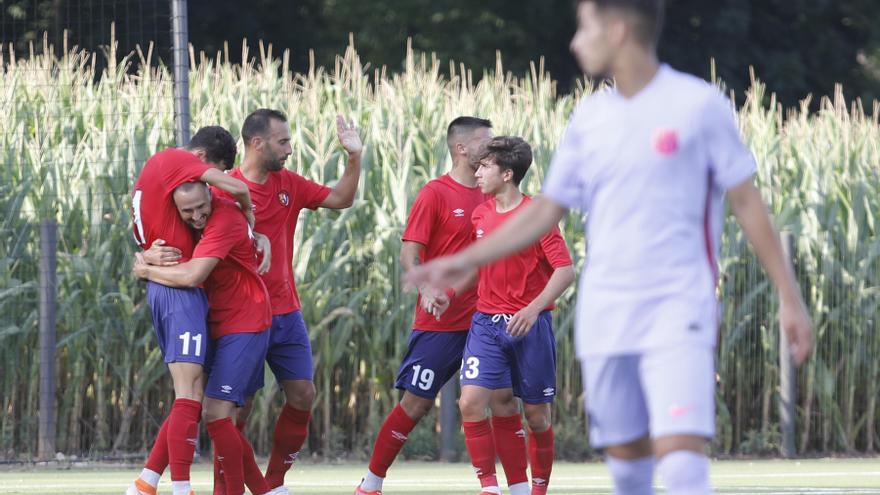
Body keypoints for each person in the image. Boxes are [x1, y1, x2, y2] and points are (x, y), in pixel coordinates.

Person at [405, 1, 814, 493]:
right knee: (629, 469)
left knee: (682, 460)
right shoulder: (590, 118)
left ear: (617, 30)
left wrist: (790, 298)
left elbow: (748, 204)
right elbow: (543, 211)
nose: (576, 42)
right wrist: (459, 262)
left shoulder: (697, 105)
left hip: (678, 305)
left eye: (584, 27)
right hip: (607, 312)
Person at [210, 108, 362, 493]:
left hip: (285, 312)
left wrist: (354, 156)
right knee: (232, 411)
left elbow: (342, 199)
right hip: (241, 317)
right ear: (257, 143)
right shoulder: (222, 189)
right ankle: (228, 488)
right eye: (283, 141)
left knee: (303, 394)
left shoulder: (288, 184)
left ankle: (274, 484)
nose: (290, 149)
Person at [354, 117, 499, 495]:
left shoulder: (496, 192)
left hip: (487, 318)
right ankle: (370, 483)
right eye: (487, 141)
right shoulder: (435, 193)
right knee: (415, 405)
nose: (494, 146)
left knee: (499, 401)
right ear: (461, 148)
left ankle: (493, 486)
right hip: (440, 321)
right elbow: (409, 252)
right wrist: (423, 289)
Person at [127, 126, 255, 495]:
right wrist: (250, 219)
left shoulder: (158, 180)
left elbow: (145, 232)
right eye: (212, 174)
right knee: (188, 393)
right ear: (200, 163)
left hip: (174, 288)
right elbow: (241, 189)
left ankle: (146, 483)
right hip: (177, 290)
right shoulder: (177, 162)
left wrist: (144, 259)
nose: (211, 190)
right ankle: (181, 488)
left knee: (194, 394)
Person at [133, 182, 282, 495]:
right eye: (188, 211)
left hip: (245, 323)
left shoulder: (225, 216)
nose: (197, 215)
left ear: (211, 191)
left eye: (202, 207)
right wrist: (147, 254)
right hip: (219, 322)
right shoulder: (193, 222)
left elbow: (191, 276)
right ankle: (263, 491)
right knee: (202, 406)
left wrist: (145, 270)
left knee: (215, 412)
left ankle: (248, 490)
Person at [454, 136, 574, 495]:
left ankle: (534, 491)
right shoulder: (480, 213)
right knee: (470, 402)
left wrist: (533, 309)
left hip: (530, 326)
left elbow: (564, 271)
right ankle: (489, 487)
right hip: (486, 324)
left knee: (537, 418)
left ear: (507, 174)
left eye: (486, 166)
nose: (478, 171)